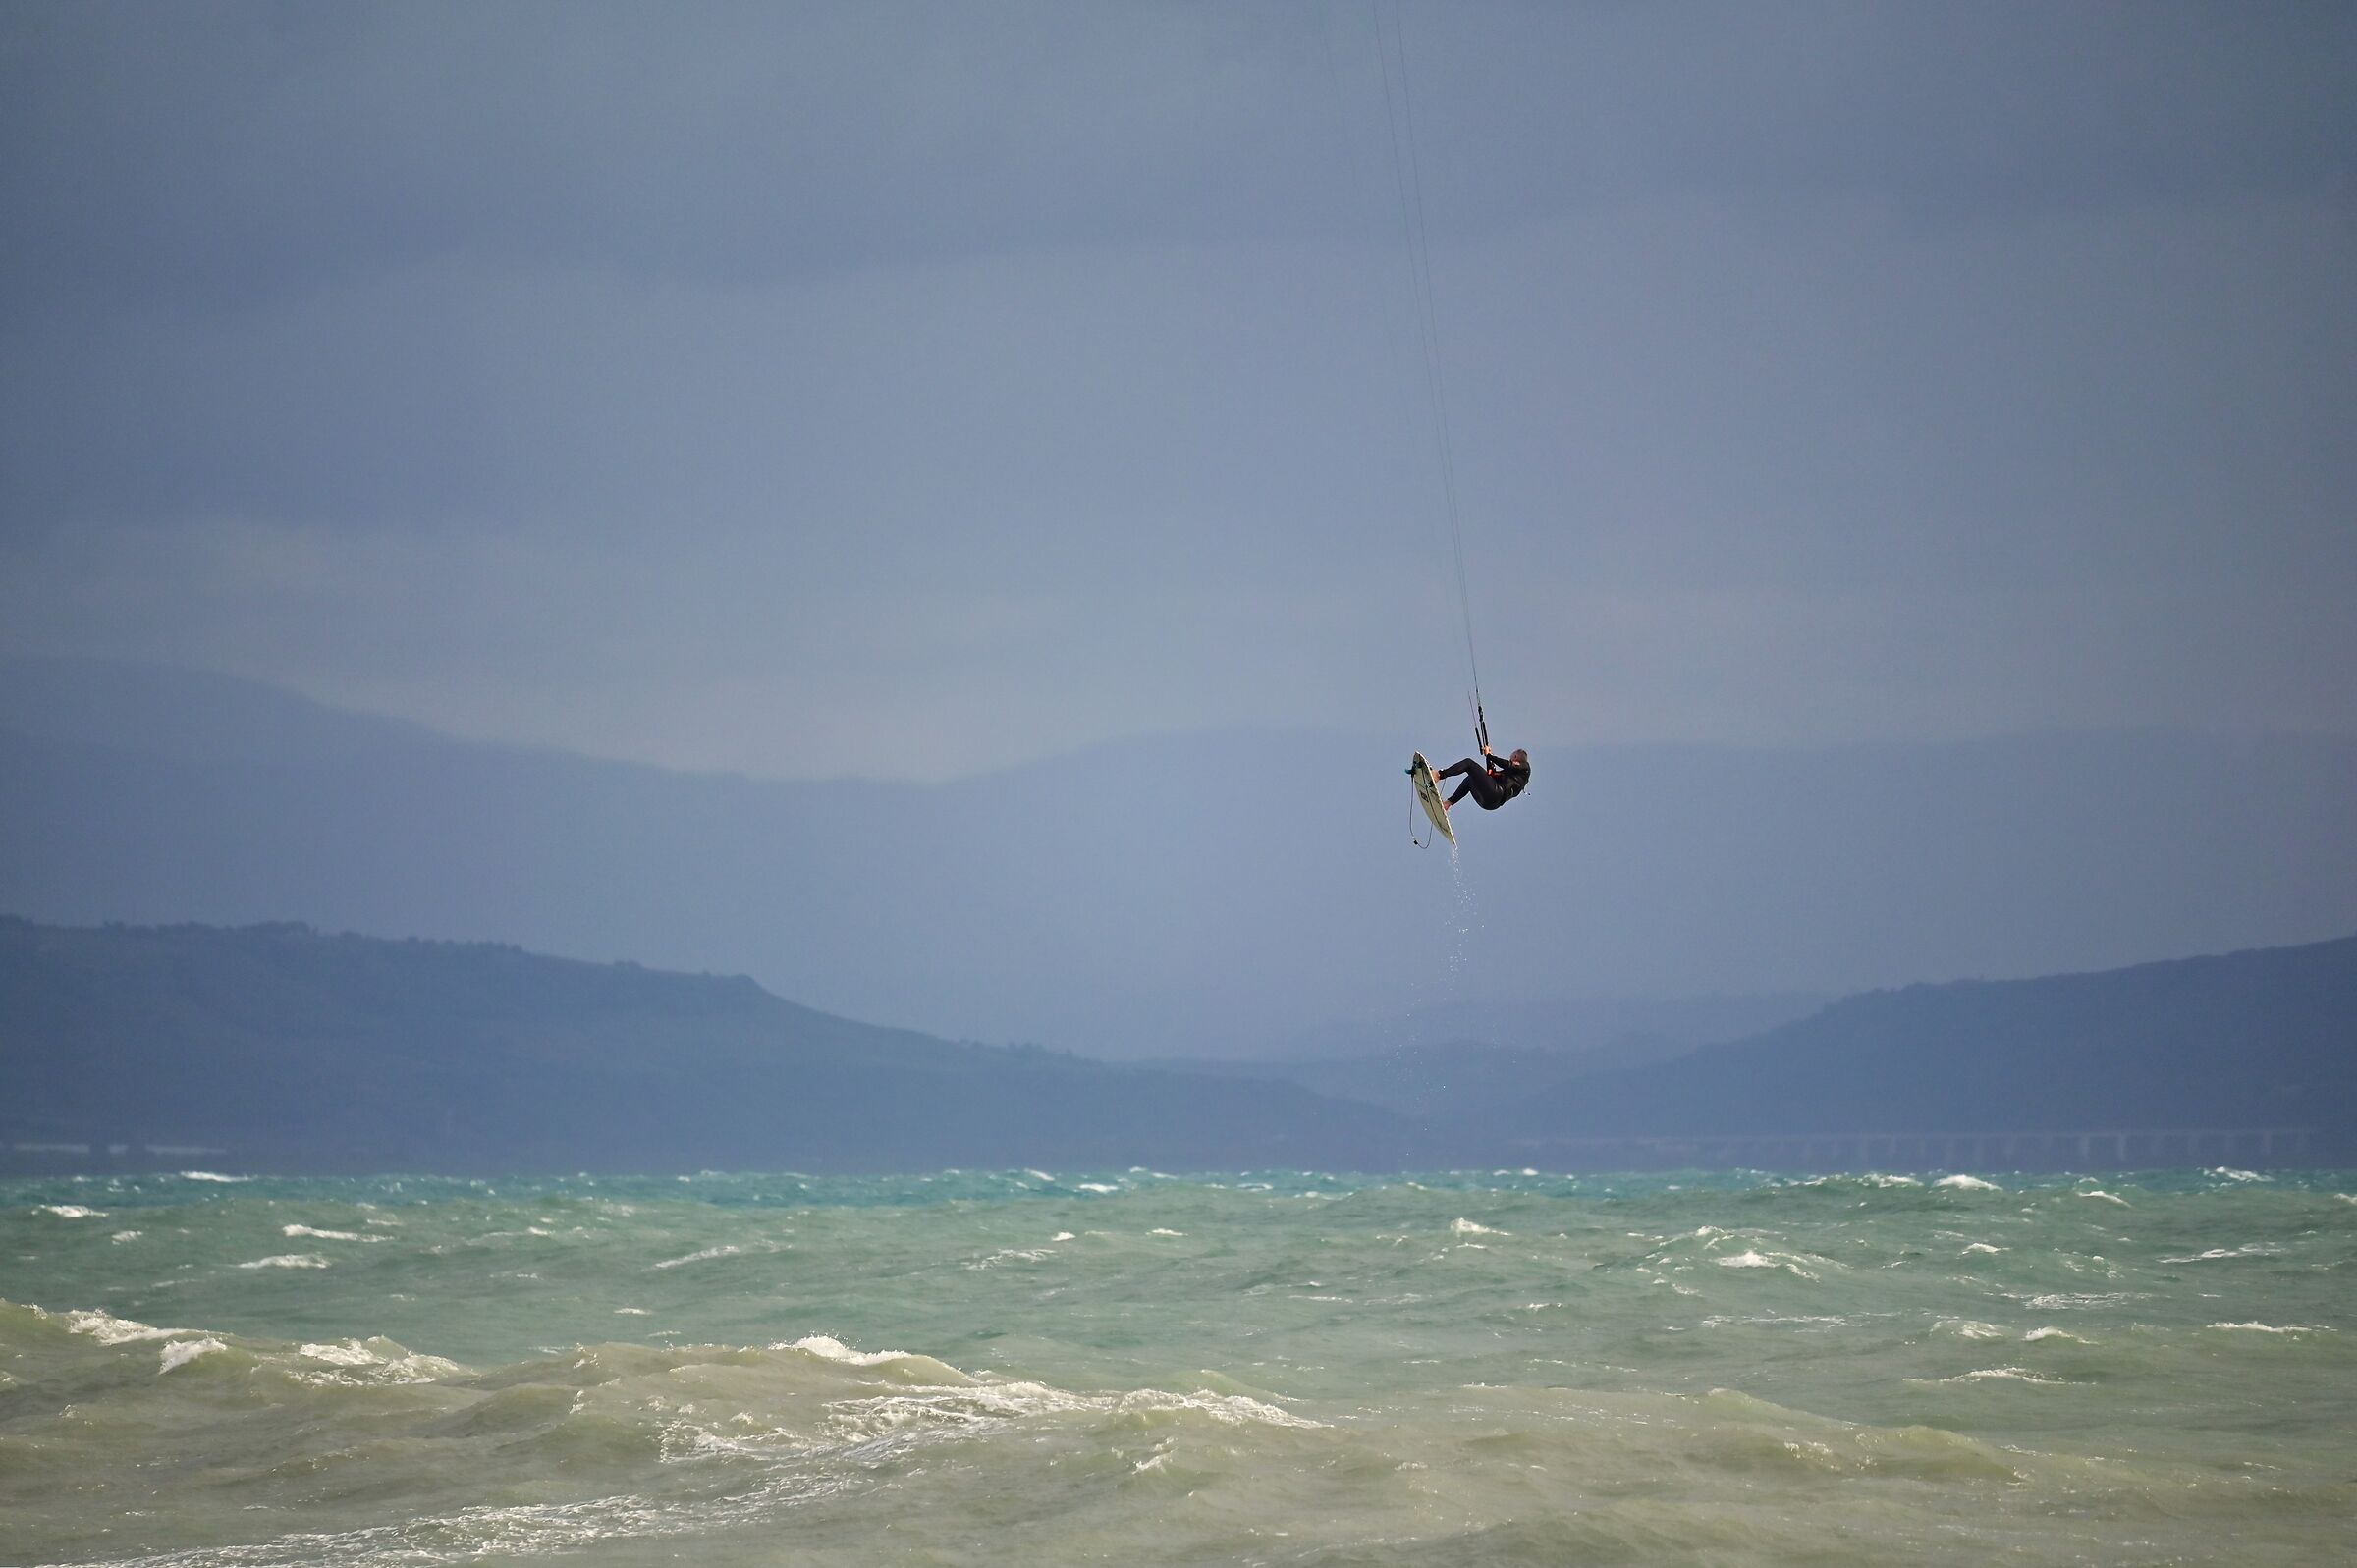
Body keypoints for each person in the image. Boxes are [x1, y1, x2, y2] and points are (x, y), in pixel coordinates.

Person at [1434, 744, 1529, 811]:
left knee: (1469, 763)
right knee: (1470, 779)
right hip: (1491, 804)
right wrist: (1488, 757)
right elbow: (1491, 773)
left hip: (1496, 793)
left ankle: (1439, 775)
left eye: (1511, 757)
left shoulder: (1525, 767)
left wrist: (1490, 755)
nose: (1510, 759)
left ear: (1516, 756)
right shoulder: (1510, 775)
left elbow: (1509, 764)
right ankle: (1447, 804)